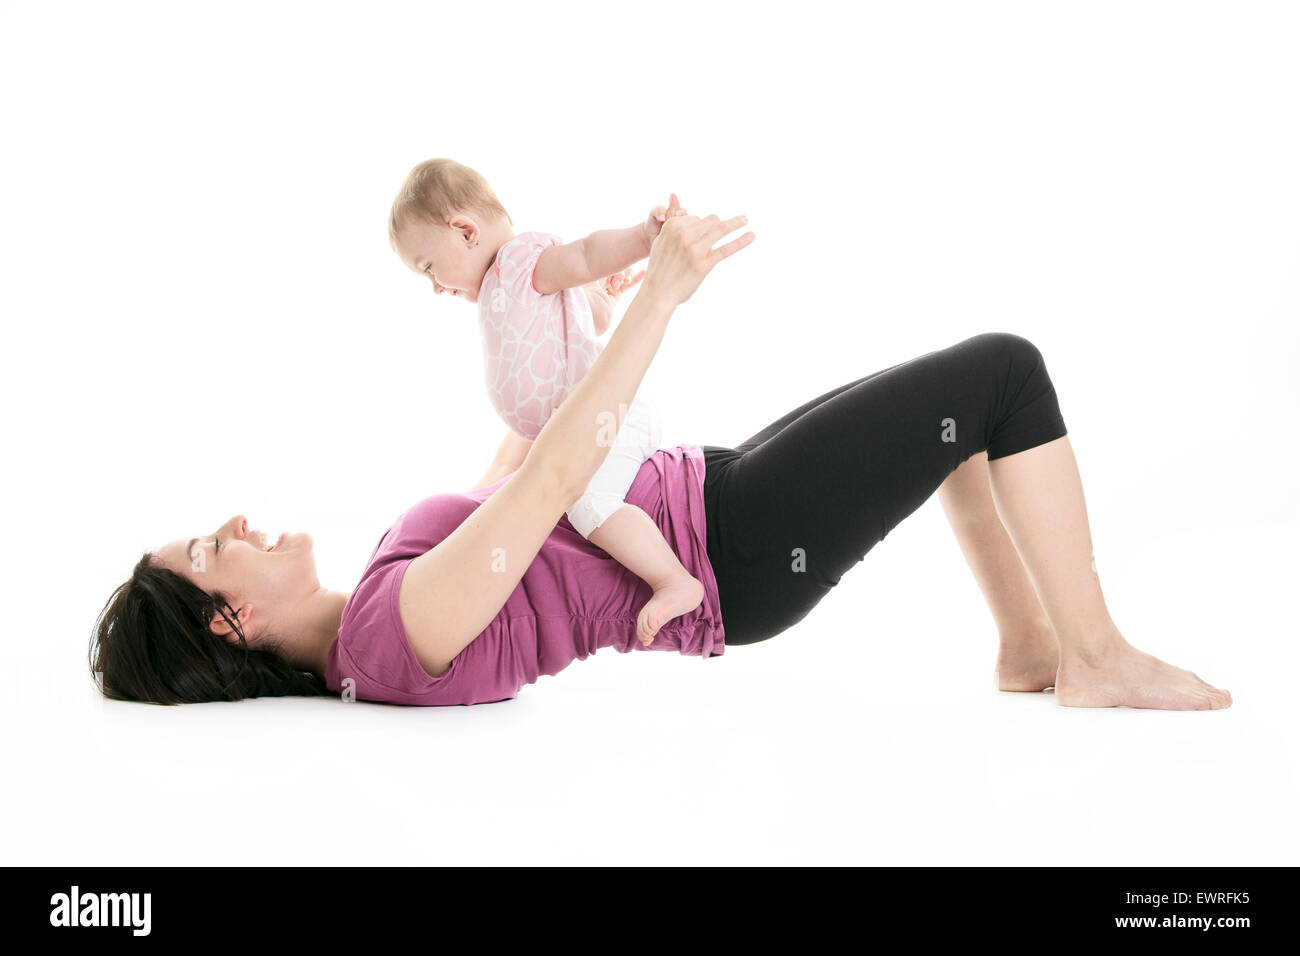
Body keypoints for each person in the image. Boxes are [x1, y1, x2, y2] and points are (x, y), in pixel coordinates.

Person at [89, 209, 1232, 711]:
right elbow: (545, 487)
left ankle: (1030, 648)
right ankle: (1094, 655)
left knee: (955, 415)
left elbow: (525, 454)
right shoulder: (386, 640)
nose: (233, 522)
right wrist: (666, 302)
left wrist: (555, 304)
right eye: (210, 548)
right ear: (228, 623)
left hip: (711, 497)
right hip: (732, 553)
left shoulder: (381, 598)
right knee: (1002, 373)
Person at [387, 158, 700, 645]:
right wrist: (601, 301)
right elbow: (584, 323)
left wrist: (644, 238)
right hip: (585, 427)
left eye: (428, 267)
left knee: (587, 502)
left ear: (466, 231)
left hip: (613, 420)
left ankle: (673, 580)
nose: (434, 286)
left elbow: (587, 255)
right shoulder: (500, 288)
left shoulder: (517, 261)